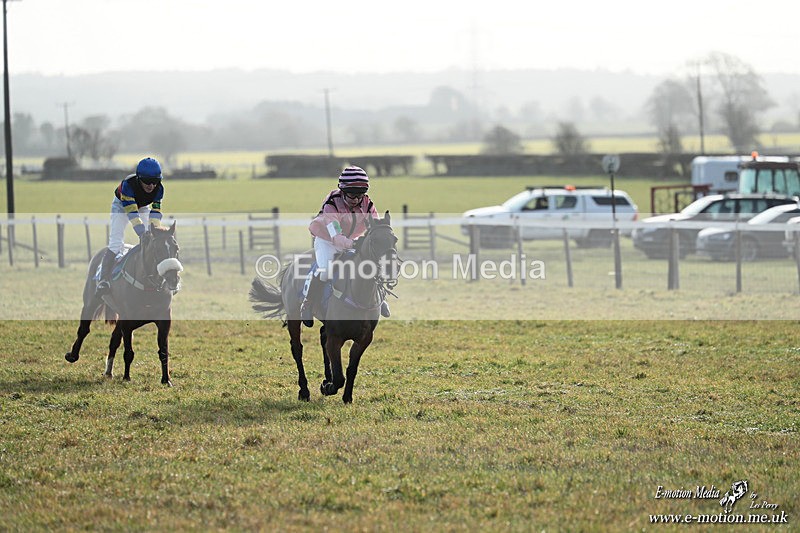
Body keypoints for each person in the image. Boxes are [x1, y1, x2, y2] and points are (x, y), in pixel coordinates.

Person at [301, 165, 390, 327]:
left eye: (360, 195)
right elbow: (335, 236)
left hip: (352, 240)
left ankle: (379, 298)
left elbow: (375, 227)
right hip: (327, 240)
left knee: (370, 264)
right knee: (326, 270)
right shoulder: (331, 205)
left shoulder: (367, 203)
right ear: (342, 191)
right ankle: (308, 303)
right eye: (352, 195)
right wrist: (354, 244)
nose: (356, 199)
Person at [95, 157, 165, 296]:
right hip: (121, 206)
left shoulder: (159, 189)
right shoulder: (128, 185)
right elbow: (132, 213)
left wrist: (154, 231)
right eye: (147, 181)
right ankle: (103, 280)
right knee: (116, 244)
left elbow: (156, 213)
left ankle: (157, 277)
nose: (151, 185)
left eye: (155, 181)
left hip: (142, 206)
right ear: (139, 179)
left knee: (152, 238)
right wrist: (142, 233)